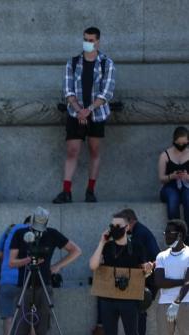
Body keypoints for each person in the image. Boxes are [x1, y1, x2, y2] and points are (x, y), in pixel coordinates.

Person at [6, 206, 82, 335]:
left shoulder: (52, 234)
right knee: (21, 322)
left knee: (44, 325)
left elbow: (76, 250)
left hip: (44, 283)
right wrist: (29, 260)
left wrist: (57, 266)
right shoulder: (20, 234)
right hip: (25, 283)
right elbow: (11, 262)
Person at [54, 26, 115, 204]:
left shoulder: (106, 63)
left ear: (98, 41)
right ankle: (66, 191)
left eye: (91, 40)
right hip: (75, 114)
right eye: (85, 39)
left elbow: (107, 92)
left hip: (96, 114)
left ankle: (90, 189)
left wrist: (89, 109)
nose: (88, 43)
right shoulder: (72, 63)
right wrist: (78, 108)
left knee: (94, 150)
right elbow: (68, 89)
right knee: (72, 151)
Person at [149, 219, 189, 335]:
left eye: (168, 232)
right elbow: (160, 281)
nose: (165, 235)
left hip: (185, 303)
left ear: (179, 235)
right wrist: (182, 281)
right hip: (164, 304)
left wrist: (177, 301)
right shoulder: (162, 256)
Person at [159, 126, 189, 222]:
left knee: (188, 198)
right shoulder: (165, 155)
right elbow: (161, 178)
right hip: (169, 187)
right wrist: (171, 176)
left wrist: (187, 177)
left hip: (187, 186)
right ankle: (176, 231)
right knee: (173, 199)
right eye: (178, 143)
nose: (181, 146)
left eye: (184, 144)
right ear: (174, 141)